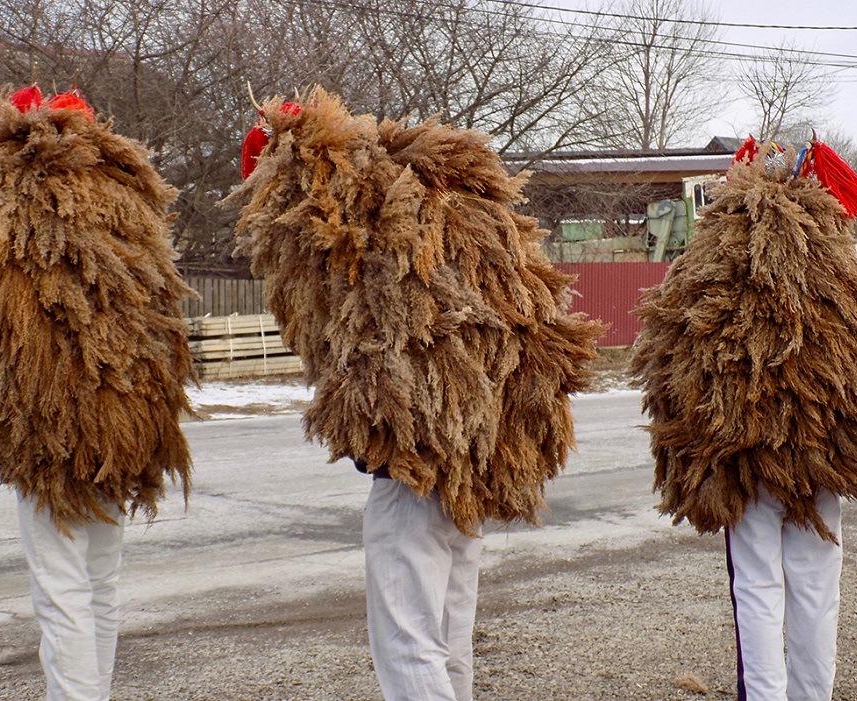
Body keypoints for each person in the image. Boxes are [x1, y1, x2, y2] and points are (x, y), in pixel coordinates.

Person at [227, 86, 604, 700]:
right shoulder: (435, 215)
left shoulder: (366, 249)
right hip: (470, 462)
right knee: (448, 631)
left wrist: (379, 435)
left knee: (408, 641)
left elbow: (382, 359)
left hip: (415, 475)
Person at [0, 85, 194, 701]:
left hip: (50, 446)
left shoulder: (8, 255)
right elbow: (168, 345)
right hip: (121, 437)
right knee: (100, 582)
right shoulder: (136, 242)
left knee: (63, 588)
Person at [629, 137, 857, 701]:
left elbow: (672, 363)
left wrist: (699, 445)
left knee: (757, 586)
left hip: (741, 460)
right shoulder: (838, 277)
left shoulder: (709, 268)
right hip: (821, 456)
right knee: (817, 584)